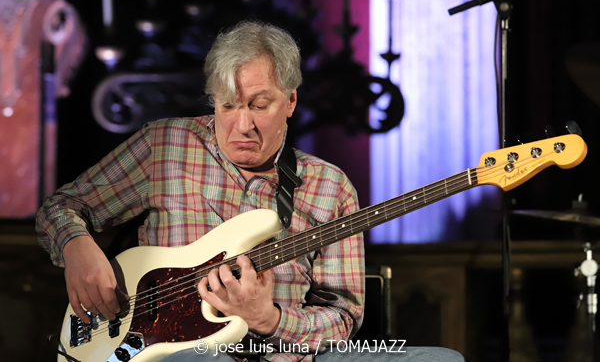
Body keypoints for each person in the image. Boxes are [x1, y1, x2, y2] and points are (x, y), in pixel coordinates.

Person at [36, 20, 464, 362]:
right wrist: (77, 247)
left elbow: (342, 315)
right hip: (178, 352)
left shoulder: (330, 186)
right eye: (228, 105)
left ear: (290, 101)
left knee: (444, 359)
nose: (243, 125)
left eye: (259, 105)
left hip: (287, 351)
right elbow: (61, 207)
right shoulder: (164, 147)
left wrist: (269, 320)